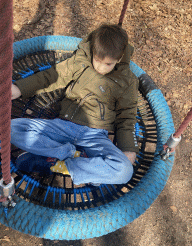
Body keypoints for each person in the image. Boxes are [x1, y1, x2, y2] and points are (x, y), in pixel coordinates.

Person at [10, 24, 139, 185]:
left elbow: (127, 116)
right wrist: (20, 88)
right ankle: (71, 155)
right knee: (11, 129)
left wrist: (129, 148)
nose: (99, 67)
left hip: (95, 136)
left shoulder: (127, 81)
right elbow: (52, 76)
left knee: (125, 171)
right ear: (93, 49)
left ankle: (60, 164)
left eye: (108, 64)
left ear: (119, 59)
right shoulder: (80, 62)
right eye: (97, 60)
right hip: (63, 125)